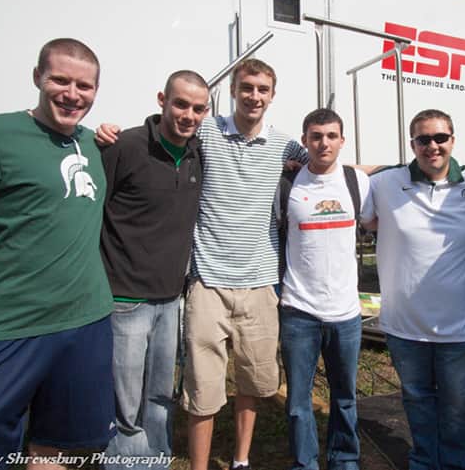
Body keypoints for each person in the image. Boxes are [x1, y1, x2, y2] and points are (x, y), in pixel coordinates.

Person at [97, 58, 308, 470]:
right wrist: (105, 132)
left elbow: (327, 159)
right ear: (231, 91)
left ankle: (241, 460)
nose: (254, 96)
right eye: (247, 87)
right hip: (207, 283)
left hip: (261, 283)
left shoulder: (285, 146)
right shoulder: (206, 133)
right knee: (202, 386)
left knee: (251, 382)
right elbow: (159, 135)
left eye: (263, 89)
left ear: (273, 95)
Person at [0, 38, 114, 470]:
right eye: (59, 80)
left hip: (86, 322)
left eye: (84, 86)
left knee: (58, 446)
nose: (72, 94)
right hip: (8, 325)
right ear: (37, 78)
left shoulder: (92, 145)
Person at [359, 109, 465, 470]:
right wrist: (298, 162)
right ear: (412, 143)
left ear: (453, 140)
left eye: (440, 138)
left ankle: (455, 463)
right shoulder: (387, 183)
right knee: (416, 400)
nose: (432, 146)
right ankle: (423, 461)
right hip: (404, 325)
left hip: (459, 326)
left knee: (457, 404)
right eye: (423, 139)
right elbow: (348, 172)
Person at [100, 70, 210, 468]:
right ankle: (125, 463)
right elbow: (92, 211)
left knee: (161, 393)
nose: (188, 115)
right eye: (180, 104)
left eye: (199, 108)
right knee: (125, 401)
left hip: (170, 299)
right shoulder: (124, 146)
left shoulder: (199, 153)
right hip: (124, 298)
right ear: (162, 99)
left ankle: (157, 459)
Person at [275, 108, 370, 470]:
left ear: (342, 141)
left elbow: (379, 216)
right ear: (305, 142)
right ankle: (306, 463)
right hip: (299, 311)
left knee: (345, 396)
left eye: (331, 136)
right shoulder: (287, 184)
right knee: (299, 401)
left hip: (346, 313)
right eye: (316, 136)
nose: (323, 143)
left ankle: (345, 459)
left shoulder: (357, 182)